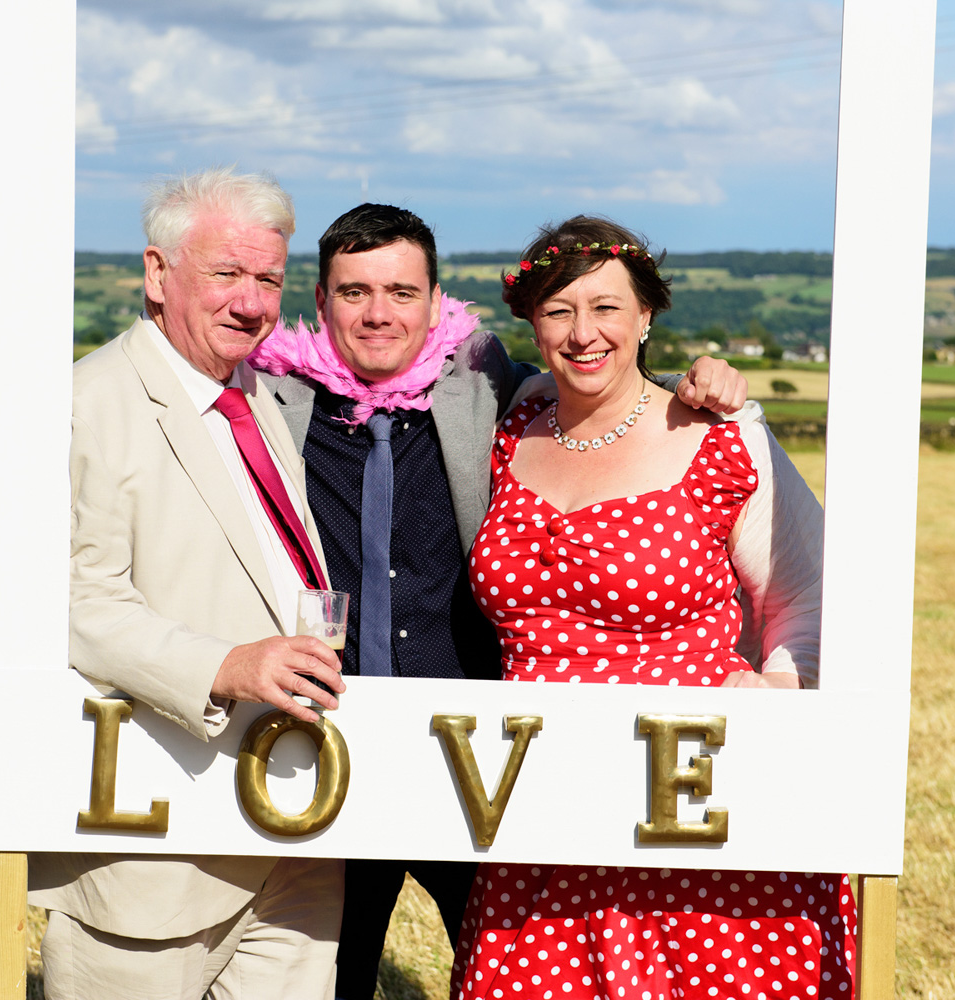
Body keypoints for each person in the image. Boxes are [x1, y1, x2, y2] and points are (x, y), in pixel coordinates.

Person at [246, 203, 749, 1000]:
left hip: (477, 755)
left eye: (403, 292)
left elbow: (602, 392)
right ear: (320, 297)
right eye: (355, 292)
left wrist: (705, 379)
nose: (379, 313)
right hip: (331, 745)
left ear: (438, 300)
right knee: (324, 980)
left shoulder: (492, 397)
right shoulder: (270, 402)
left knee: (506, 970)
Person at [449, 215, 856, 999]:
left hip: (694, 793)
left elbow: (809, 590)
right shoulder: (514, 426)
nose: (583, 332)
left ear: (646, 316)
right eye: (559, 310)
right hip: (544, 804)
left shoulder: (721, 438)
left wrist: (777, 690)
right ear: (533, 322)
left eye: (606, 307)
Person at [30, 168, 347, 1000]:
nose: (251, 302)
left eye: (269, 280)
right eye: (226, 275)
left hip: (289, 834)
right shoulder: (83, 403)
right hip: (155, 847)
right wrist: (224, 665)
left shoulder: (256, 397)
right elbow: (71, 602)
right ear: (156, 273)